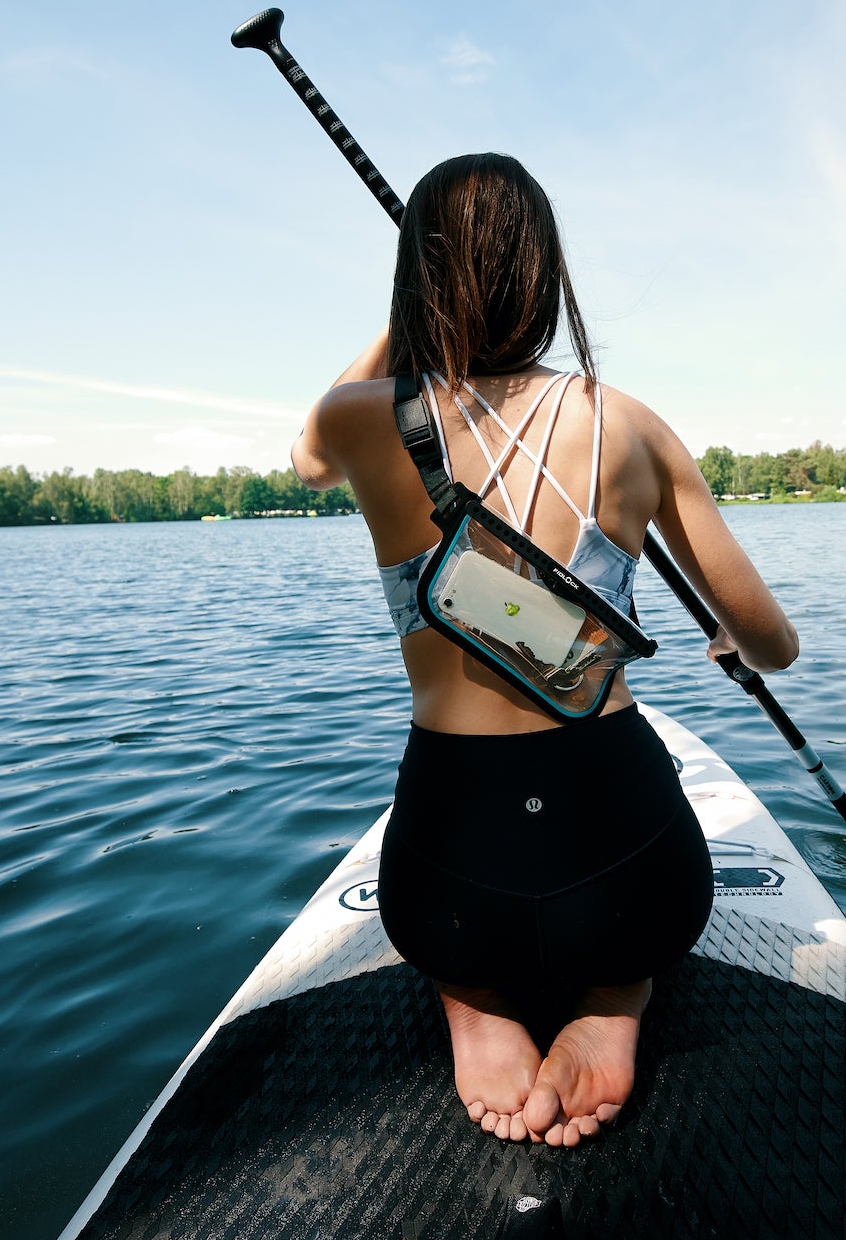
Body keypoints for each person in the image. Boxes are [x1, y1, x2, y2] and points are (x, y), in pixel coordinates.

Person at [291, 153, 798, 1148]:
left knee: (458, 939)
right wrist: (725, 638)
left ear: (416, 276)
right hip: (634, 881)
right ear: (542, 272)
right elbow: (770, 647)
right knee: (630, 932)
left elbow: (306, 461)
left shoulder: (359, 420)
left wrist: (410, 314)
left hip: (446, 889)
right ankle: (615, 995)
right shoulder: (629, 423)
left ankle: (473, 1001)